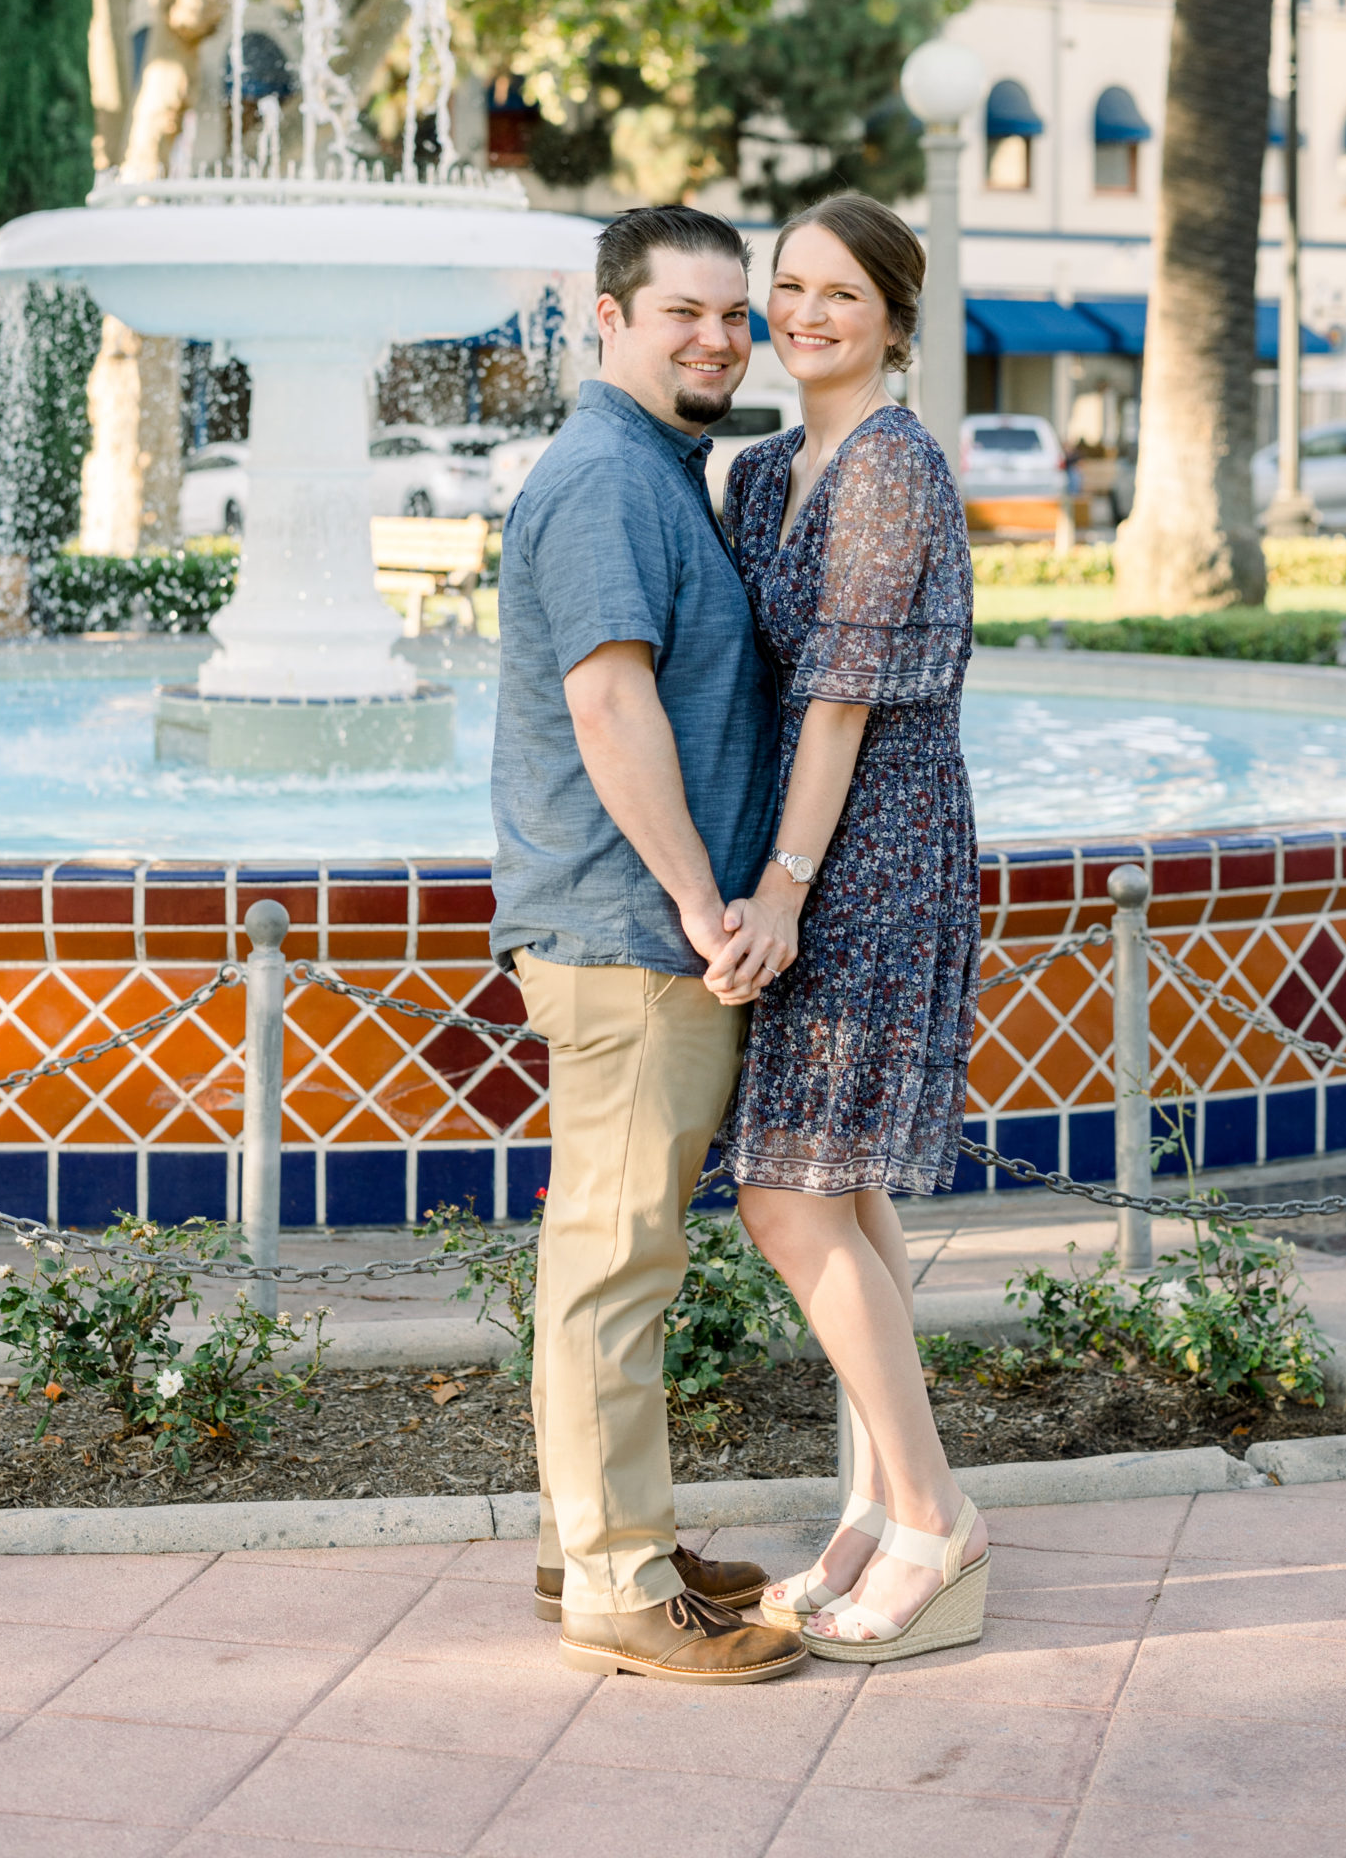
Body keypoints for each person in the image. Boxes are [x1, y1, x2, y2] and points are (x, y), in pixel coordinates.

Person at [488, 204, 805, 1687]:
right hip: (632, 937)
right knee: (619, 1261)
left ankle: (591, 1534)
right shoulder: (610, 481)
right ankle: (617, 1584)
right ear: (606, 315)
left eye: (734, 314)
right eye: (685, 310)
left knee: (609, 1254)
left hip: (632, 931)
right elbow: (610, 709)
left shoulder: (660, 473)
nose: (720, 338)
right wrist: (700, 904)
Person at [710, 192, 989, 1664]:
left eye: (841, 293)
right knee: (848, 1185)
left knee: (787, 1192)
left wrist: (785, 886)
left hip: (871, 851)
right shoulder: (762, 474)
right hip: (801, 848)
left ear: (893, 314)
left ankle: (936, 1520)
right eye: (790, 287)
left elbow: (839, 698)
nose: (807, 313)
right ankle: (886, 1504)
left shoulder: (892, 468)